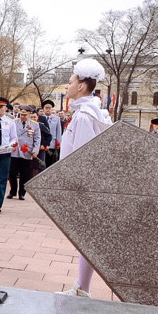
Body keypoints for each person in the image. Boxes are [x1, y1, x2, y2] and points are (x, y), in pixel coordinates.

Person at [57, 58, 113, 298]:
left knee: (86, 237)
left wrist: (73, 187)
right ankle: (82, 286)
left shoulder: (83, 116)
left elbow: (82, 158)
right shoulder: (92, 112)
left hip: (83, 187)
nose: (67, 86)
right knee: (85, 237)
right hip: (88, 186)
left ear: (81, 86)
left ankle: (83, 288)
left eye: (70, 82)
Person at [8, 106, 41, 200]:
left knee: (25, 174)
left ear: (29, 114)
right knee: (12, 173)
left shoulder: (34, 125)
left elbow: (37, 139)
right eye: (21, 114)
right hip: (15, 151)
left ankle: (22, 193)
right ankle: (13, 191)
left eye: (25, 115)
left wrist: (35, 151)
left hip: (27, 152)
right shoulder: (13, 122)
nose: (23, 116)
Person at [41, 99, 63, 167]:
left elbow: (58, 131)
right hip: (42, 143)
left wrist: (58, 142)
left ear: (52, 109)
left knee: (50, 161)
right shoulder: (40, 118)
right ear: (43, 109)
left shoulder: (56, 118)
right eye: (46, 108)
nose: (48, 110)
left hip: (52, 143)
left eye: (49, 108)